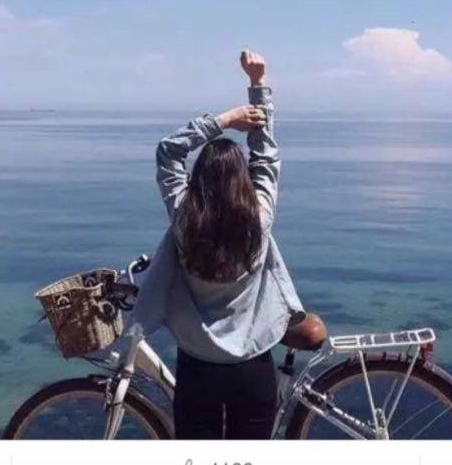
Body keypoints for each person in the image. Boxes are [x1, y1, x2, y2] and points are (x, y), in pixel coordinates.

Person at [130, 50, 327, 439]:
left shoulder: (184, 217)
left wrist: (224, 120)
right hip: (252, 365)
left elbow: (168, 150)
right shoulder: (259, 220)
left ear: (198, 180)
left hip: (197, 365)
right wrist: (257, 85)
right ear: (243, 181)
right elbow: (266, 156)